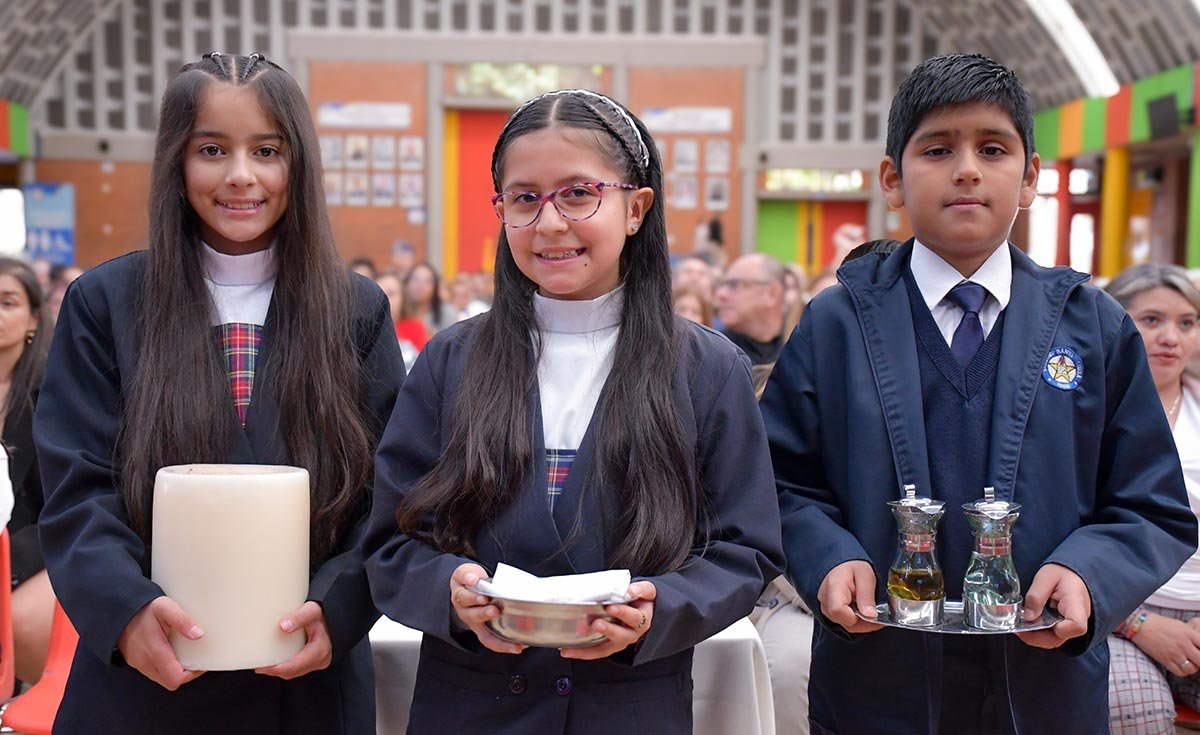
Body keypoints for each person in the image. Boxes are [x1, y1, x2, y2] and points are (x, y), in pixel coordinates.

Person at [761, 53, 1196, 735]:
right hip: (878, 677)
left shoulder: (1092, 324)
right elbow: (778, 483)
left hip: (1044, 681)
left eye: (992, 148)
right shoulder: (837, 323)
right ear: (893, 180)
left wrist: (1088, 573)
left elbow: (1150, 502)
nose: (966, 167)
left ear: (1029, 178)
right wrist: (828, 555)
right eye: (938, 148)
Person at [363, 88, 784, 734]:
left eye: (578, 193)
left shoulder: (705, 368)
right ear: (499, 210)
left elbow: (744, 548)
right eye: (524, 199)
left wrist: (660, 606)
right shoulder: (452, 361)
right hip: (471, 707)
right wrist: (449, 590)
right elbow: (391, 538)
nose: (550, 223)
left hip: (628, 707)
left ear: (636, 207)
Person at [33, 52, 404, 735]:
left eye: (267, 149)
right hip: (144, 687)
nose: (241, 175)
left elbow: (388, 494)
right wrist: (128, 609)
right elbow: (78, 489)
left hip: (304, 689)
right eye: (211, 149)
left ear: (299, 164)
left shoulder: (353, 310)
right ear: (176, 161)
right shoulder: (106, 304)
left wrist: (338, 607)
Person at [1103, 264, 1200, 734]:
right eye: (1151, 320)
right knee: (1132, 714)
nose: (1171, 338)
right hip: (1118, 612)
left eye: (1186, 322)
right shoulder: (1083, 412)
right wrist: (1137, 622)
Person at [0, 258, 53, 687]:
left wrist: (10, 562)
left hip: (33, 550)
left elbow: (63, 501)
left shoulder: (51, 393)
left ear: (33, 317)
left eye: (7, 303)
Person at [715, 253, 786, 365]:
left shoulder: (802, 349)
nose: (721, 294)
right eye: (721, 285)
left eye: (734, 285)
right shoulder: (714, 353)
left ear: (771, 294)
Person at [375, 268, 423, 366]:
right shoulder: (363, 328)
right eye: (379, 293)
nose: (385, 298)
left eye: (391, 293)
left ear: (403, 298)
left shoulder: (415, 327)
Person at [403, 261, 455, 334]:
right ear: (407, 283)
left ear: (435, 287)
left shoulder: (446, 312)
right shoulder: (399, 312)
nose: (420, 285)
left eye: (427, 281)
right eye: (415, 279)